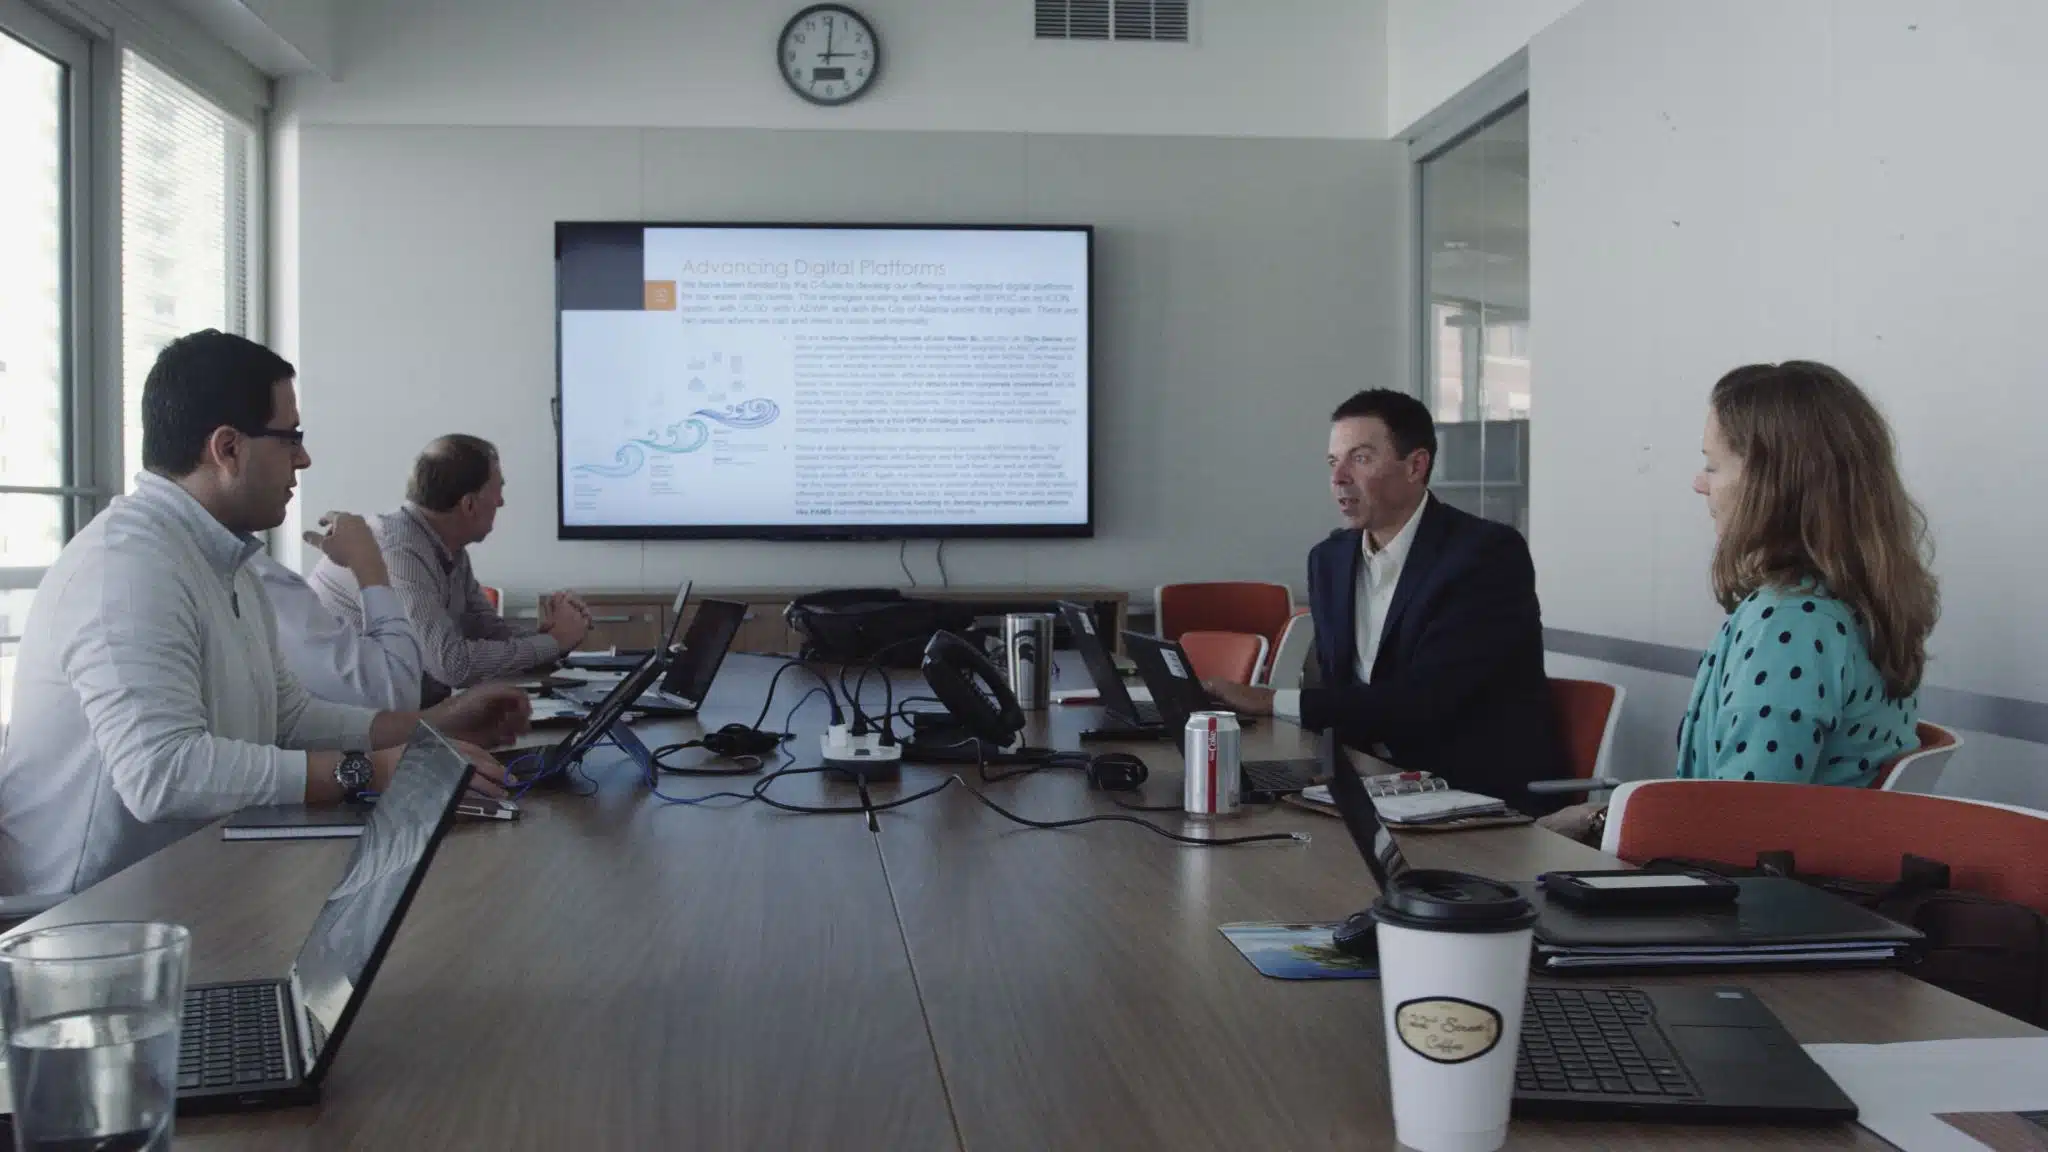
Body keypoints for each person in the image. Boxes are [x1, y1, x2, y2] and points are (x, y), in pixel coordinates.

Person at [0, 331, 529, 898]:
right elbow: (163, 774)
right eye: (290, 437)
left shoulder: (227, 563)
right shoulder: (125, 569)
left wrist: (436, 726)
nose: (304, 457)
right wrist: (371, 770)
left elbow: (288, 718)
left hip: (192, 886)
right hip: (83, 926)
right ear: (227, 449)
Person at [1540, 360, 1941, 843]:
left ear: (1771, 485)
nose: (1699, 483)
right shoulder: (1857, 603)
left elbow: (1738, 823)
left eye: (1712, 464)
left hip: (1755, 905)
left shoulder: (1792, 621)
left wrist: (1598, 822)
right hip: (1816, 891)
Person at [1203, 389, 1566, 804]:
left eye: (1359, 459)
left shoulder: (1484, 555)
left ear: (1415, 466)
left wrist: (1271, 701)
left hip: (1470, 794)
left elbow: (1424, 703)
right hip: (1365, 779)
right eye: (1332, 462)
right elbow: (1344, 693)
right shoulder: (1330, 560)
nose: (1338, 478)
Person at [309, 435, 592, 704]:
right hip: (352, 735)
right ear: (469, 504)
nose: (502, 502)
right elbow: (451, 665)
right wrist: (554, 642)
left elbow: (486, 631)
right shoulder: (399, 551)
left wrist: (553, 637)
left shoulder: (448, 547)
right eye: (499, 489)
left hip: (402, 714)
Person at [252, 511, 424, 710]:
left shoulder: (251, 570)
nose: (293, 480)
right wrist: (367, 561)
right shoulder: (260, 581)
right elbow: (396, 695)